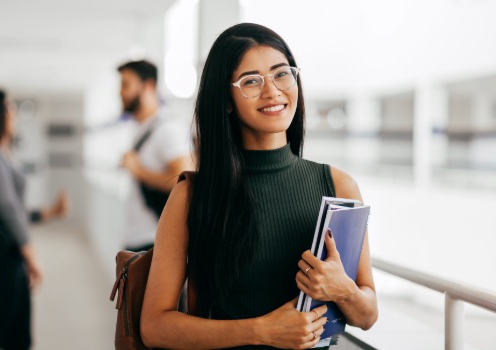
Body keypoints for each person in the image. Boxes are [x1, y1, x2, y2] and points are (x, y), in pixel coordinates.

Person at [140, 23, 378, 349]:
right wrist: (262, 330)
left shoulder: (339, 185)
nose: (273, 91)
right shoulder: (191, 195)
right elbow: (154, 326)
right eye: (251, 81)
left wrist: (343, 289)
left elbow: (367, 316)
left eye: (282, 74)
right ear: (225, 100)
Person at [0, 89, 69, 350]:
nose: (14, 113)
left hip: (7, 262)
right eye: (9, 107)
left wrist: (50, 212)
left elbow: (14, 210)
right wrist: (32, 255)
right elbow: (7, 209)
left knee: (15, 339)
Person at [118, 60, 193, 252]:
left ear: (148, 85)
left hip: (156, 241)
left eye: (126, 84)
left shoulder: (168, 128)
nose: (120, 92)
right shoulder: (142, 128)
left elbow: (183, 181)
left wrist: (137, 170)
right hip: (138, 238)